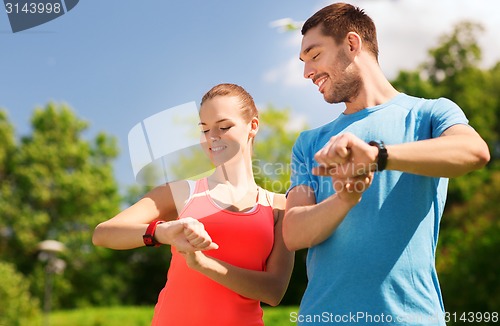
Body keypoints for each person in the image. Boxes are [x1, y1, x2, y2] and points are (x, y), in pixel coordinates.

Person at [283, 3, 490, 325]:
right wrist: (345, 199)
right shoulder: (309, 143)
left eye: (314, 55)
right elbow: (294, 233)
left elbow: (474, 152)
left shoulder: (430, 113)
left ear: (352, 44)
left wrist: (377, 156)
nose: (307, 72)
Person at [92, 83, 294, 326]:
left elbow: (274, 291)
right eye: (205, 129)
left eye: (224, 127)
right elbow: (103, 234)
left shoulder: (280, 206)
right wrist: (162, 232)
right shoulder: (181, 193)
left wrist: (203, 263)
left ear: (252, 126)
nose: (212, 138)